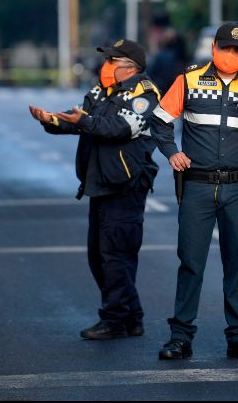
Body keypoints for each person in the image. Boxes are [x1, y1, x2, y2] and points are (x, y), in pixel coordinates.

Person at [28, 39, 161, 340]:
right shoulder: (102, 90)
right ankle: (132, 316)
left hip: (125, 184)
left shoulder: (145, 94)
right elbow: (80, 117)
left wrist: (85, 120)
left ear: (129, 67)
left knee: (116, 255)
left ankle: (114, 319)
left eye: (111, 61)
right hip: (99, 181)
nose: (106, 66)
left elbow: (120, 128)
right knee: (99, 256)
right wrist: (50, 119)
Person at [149, 23, 238, 360]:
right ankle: (180, 337)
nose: (230, 55)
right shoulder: (189, 79)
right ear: (214, 47)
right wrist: (172, 152)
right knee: (190, 262)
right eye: (225, 48)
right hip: (197, 185)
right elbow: (160, 119)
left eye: (237, 51)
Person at [148, 28, 188, 96]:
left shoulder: (161, 56)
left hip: (163, 90)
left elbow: (151, 74)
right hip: (176, 91)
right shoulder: (181, 56)